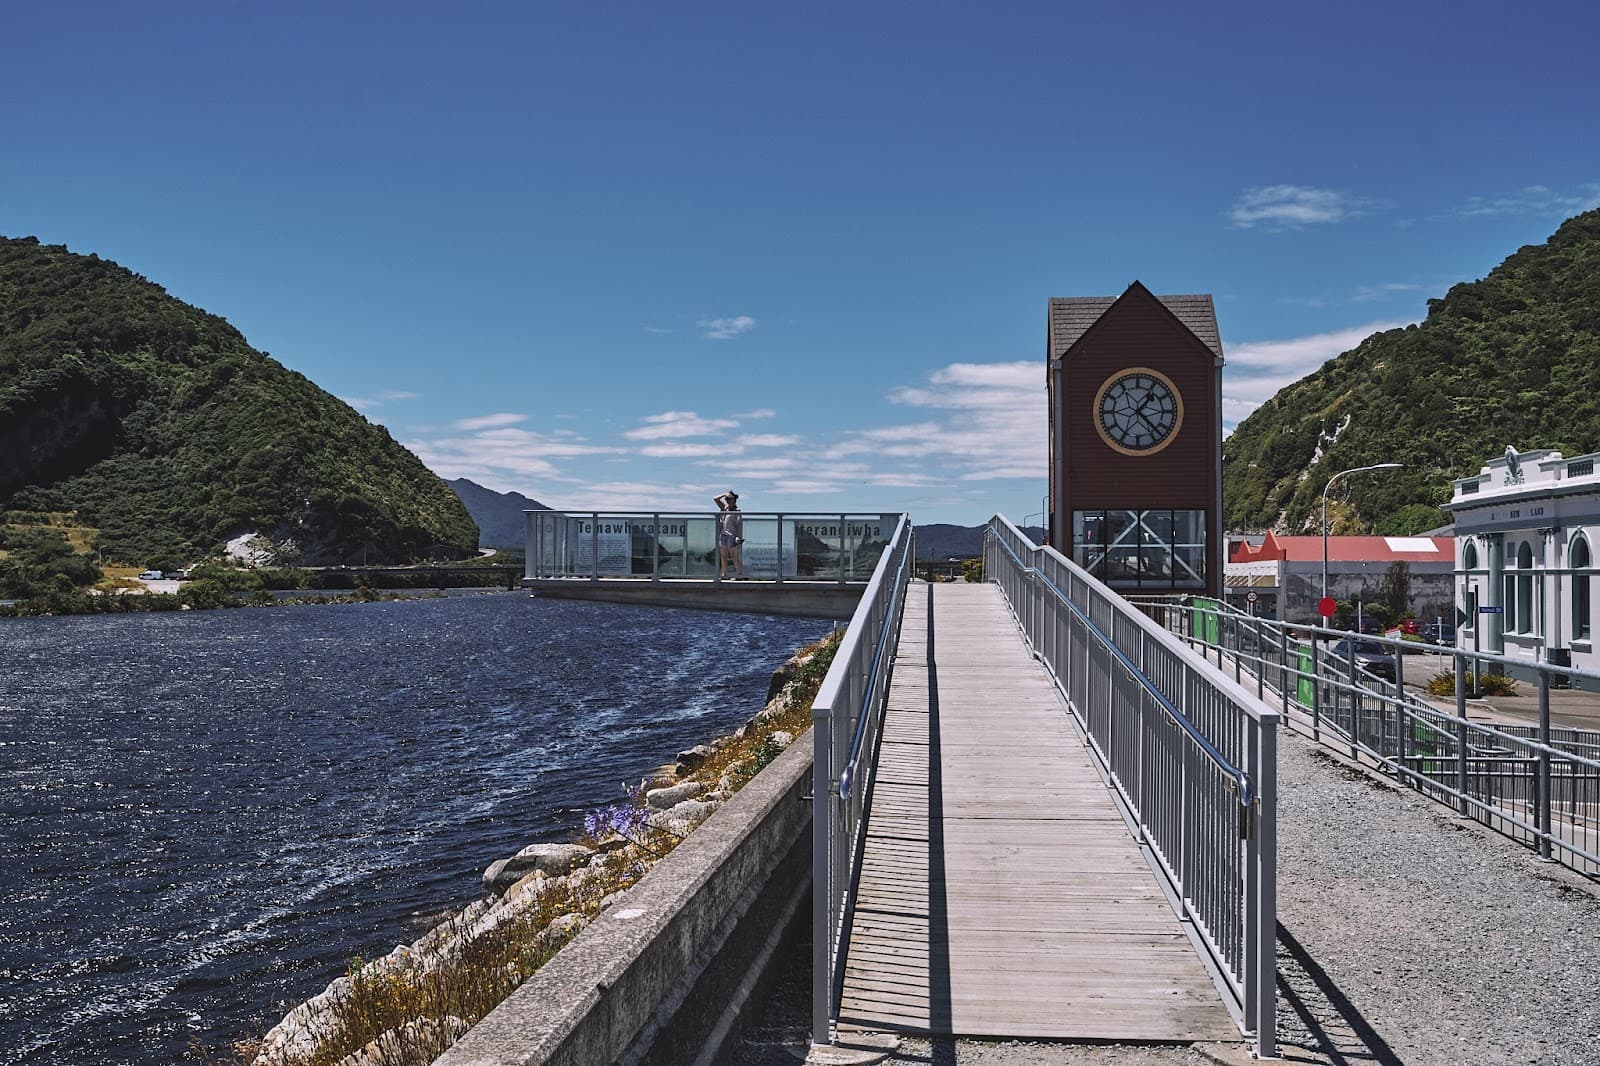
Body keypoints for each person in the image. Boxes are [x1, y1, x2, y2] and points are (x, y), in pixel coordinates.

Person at [714, 490, 744, 578]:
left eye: (730, 499)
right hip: (723, 534)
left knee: (734, 555)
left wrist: (738, 536)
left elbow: (738, 525)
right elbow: (715, 499)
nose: (728, 500)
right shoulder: (724, 508)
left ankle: (739, 574)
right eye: (727, 499)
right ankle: (724, 574)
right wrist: (724, 494)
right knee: (723, 555)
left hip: (732, 535)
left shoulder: (737, 511)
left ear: (734, 500)